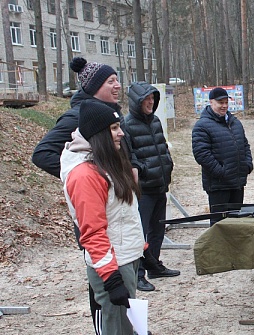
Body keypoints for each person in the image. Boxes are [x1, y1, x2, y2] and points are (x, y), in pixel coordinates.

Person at [31, 57, 121, 335]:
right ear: (95, 87)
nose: (118, 85)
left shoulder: (110, 114)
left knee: (120, 290)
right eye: (111, 81)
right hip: (94, 214)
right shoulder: (77, 116)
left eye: (117, 79)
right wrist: (83, 178)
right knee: (102, 284)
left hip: (117, 215)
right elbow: (42, 154)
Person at [60, 99, 144, 334]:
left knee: (130, 326)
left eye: (119, 127)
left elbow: (121, 213)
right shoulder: (84, 175)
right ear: (99, 135)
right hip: (112, 266)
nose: (121, 134)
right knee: (115, 327)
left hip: (126, 257)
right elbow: (93, 232)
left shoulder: (105, 160)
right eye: (114, 129)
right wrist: (112, 279)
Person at [121, 82, 180, 292]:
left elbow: (163, 148)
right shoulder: (126, 125)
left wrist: (168, 166)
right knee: (141, 233)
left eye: (153, 98)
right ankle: (138, 274)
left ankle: (154, 265)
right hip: (143, 189)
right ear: (137, 101)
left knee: (157, 231)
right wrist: (145, 170)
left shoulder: (155, 121)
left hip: (160, 185)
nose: (151, 102)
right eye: (146, 99)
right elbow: (130, 157)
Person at [192, 87, 253, 225]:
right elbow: (202, 154)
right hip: (218, 186)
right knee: (219, 225)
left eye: (226, 102)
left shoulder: (235, 122)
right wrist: (221, 172)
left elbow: (245, 145)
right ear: (211, 102)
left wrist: (247, 165)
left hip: (237, 182)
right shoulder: (202, 126)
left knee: (236, 223)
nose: (224, 106)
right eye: (220, 103)